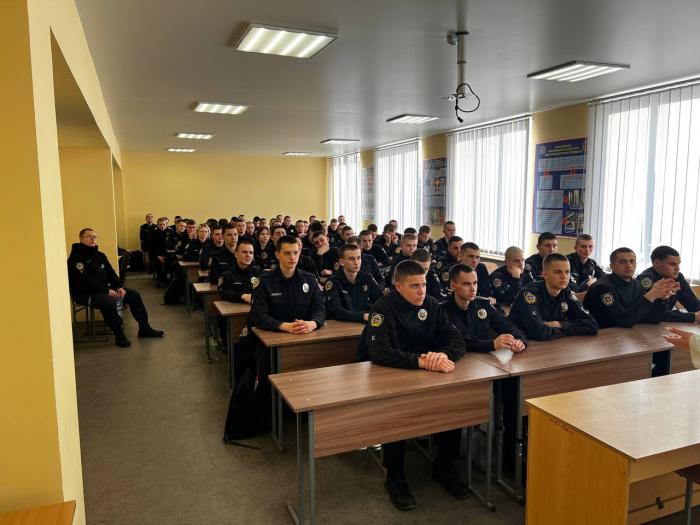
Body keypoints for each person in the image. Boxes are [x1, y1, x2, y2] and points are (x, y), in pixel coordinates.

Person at [357, 260, 469, 510]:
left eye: (424, 284)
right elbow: (379, 352)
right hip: (389, 373)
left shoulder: (431, 304)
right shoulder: (382, 309)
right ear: (398, 286)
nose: (422, 291)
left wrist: (442, 355)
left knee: (452, 400)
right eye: (415, 286)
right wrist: (422, 361)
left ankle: (444, 465)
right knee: (396, 411)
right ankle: (395, 475)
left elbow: (457, 340)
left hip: (423, 371)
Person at [242, 235, 326, 377]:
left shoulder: (310, 280)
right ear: (277, 255)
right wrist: (283, 326)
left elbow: (320, 309)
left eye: (295, 252)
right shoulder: (264, 281)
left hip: (305, 338)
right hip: (273, 343)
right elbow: (258, 315)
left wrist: (313, 323)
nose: (292, 257)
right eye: (287, 253)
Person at [68, 228, 163, 347]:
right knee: (108, 302)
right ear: (81, 239)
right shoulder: (75, 259)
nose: (93, 239)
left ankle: (144, 328)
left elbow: (111, 274)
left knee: (134, 295)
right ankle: (119, 335)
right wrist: (107, 290)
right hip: (85, 293)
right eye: (89, 236)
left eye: (95, 236)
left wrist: (119, 286)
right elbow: (84, 282)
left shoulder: (100, 255)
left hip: (105, 290)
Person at [510, 253, 598, 341]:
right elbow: (540, 332)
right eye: (558, 272)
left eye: (567, 272)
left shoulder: (566, 292)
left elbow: (592, 325)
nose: (564, 276)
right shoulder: (529, 294)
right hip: (520, 343)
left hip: (552, 343)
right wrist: (570, 329)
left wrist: (560, 324)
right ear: (545, 274)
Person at [583, 248, 676, 329]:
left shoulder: (636, 284)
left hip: (627, 334)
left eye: (632, 261)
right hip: (603, 335)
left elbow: (651, 318)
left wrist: (662, 299)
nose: (629, 265)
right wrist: (650, 296)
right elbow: (622, 321)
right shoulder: (602, 287)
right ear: (612, 266)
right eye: (622, 262)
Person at [442, 264, 527, 353]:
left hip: (486, 358)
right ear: (453, 285)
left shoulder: (483, 305)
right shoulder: (443, 310)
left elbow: (508, 325)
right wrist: (492, 344)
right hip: (459, 358)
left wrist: (520, 340)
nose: (473, 289)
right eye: (466, 284)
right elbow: (462, 340)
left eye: (475, 283)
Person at [637, 245, 700, 323]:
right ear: (656, 263)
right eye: (672, 264)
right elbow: (653, 314)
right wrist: (693, 317)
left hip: (664, 325)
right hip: (644, 326)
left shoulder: (678, 277)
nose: (678, 269)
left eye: (678, 264)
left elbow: (692, 303)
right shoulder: (646, 280)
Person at [324, 244, 383, 323]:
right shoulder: (333, 282)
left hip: (364, 322)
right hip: (341, 324)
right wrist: (363, 316)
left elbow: (381, 302)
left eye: (358, 258)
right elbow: (335, 311)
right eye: (351, 259)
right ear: (342, 262)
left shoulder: (367, 278)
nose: (356, 262)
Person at [217, 239, 262, 304]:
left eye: (251, 253)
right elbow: (225, 293)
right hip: (234, 308)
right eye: (244, 252)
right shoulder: (227, 275)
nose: (248, 255)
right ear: (236, 254)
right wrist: (242, 296)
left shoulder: (259, 273)